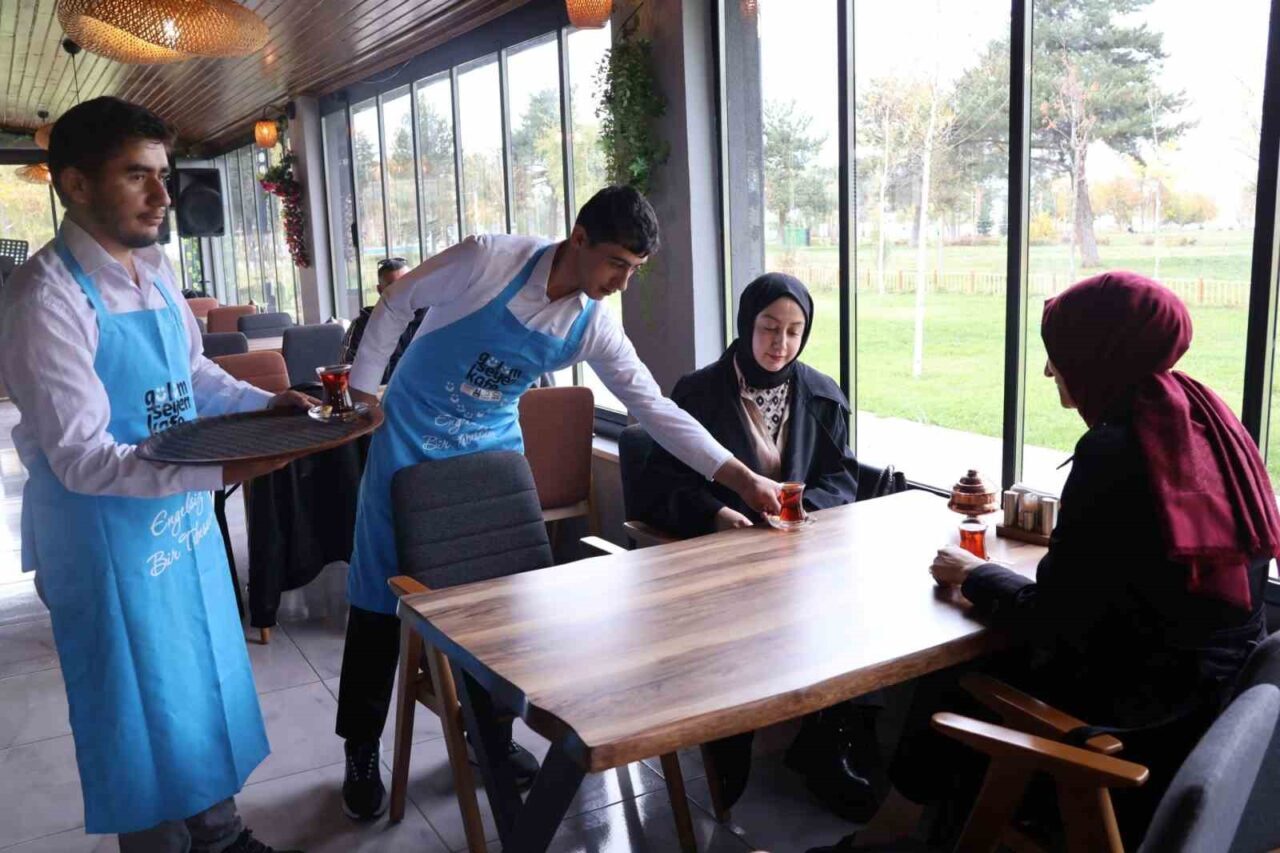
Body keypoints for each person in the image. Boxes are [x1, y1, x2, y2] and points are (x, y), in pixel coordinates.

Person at [335, 185, 783, 820]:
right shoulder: (488, 260)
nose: (621, 283)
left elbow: (653, 408)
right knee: (379, 596)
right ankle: (360, 746)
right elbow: (397, 301)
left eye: (634, 269)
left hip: (489, 453)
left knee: (501, 605)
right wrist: (362, 394)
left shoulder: (591, 324)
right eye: (616, 264)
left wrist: (740, 477)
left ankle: (489, 736)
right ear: (579, 238)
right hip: (407, 434)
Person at [810, 271, 1276, 851]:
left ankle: (888, 838)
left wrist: (973, 573)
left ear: (1100, 354)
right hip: (1204, 707)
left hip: (1139, 727)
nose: (1051, 371)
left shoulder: (1116, 451)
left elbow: (1051, 618)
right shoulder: (1204, 421)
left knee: (955, 677)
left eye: (1060, 353)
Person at [0, 97, 313, 853]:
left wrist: (265, 404)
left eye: (163, 174)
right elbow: (81, 458)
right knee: (133, 711)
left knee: (197, 677)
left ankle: (222, 833)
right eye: (137, 175)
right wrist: (225, 462)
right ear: (75, 184)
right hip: (101, 542)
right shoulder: (46, 298)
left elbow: (192, 374)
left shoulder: (156, 269)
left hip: (179, 523)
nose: (163, 195)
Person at [633, 272, 881, 821]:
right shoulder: (697, 393)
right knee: (733, 648)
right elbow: (659, 484)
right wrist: (716, 515)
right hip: (722, 563)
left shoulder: (822, 395)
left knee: (857, 626)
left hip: (801, 560)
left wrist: (804, 510)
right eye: (769, 327)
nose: (780, 344)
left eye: (794, 332)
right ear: (746, 324)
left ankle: (826, 743)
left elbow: (841, 478)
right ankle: (730, 747)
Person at [339, 257, 424, 382]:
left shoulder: (431, 318)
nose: (402, 291)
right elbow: (347, 370)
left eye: (406, 284)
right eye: (393, 286)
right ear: (380, 290)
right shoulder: (363, 324)